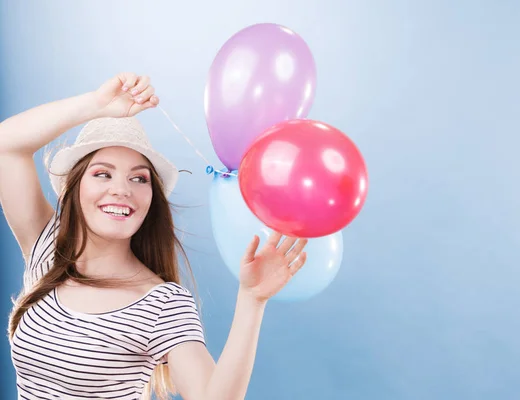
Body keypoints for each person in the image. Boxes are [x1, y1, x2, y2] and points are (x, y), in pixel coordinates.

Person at [0, 72, 308, 400]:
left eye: (139, 179)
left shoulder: (162, 304)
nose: (121, 189)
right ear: (75, 189)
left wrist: (252, 301)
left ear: (151, 199)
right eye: (102, 173)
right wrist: (96, 105)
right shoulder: (48, 251)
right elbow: (6, 144)